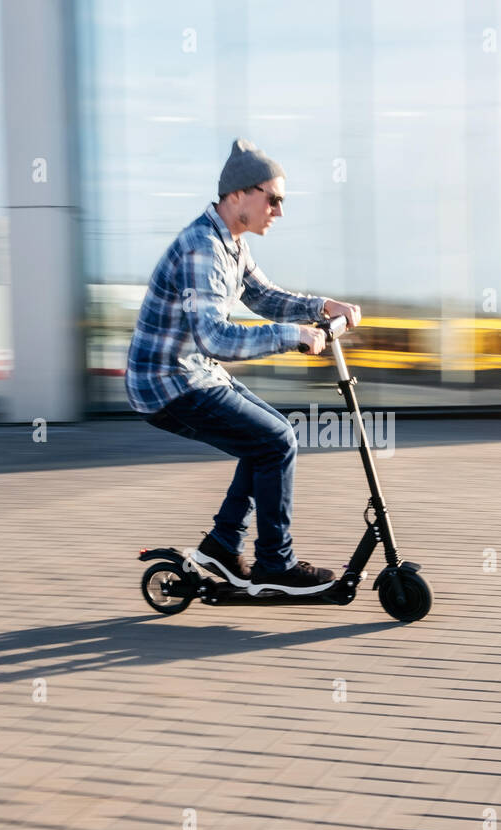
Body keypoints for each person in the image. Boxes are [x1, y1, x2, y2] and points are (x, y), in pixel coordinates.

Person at [126, 138, 361, 595]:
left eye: (282, 201)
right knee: (275, 441)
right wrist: (292, 335)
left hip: (195, 373)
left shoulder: (231, 243)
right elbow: (215, 338)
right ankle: (276, 564)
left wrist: (322, 306)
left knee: (270, 437)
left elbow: (265, 296)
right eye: (273, 199)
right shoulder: (202, 249)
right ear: (238, 195)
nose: (279, 210)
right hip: (166, 384)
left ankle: (222, 545)